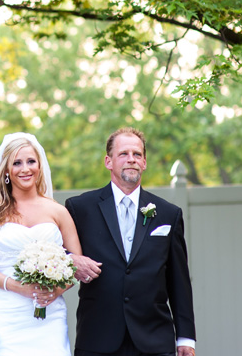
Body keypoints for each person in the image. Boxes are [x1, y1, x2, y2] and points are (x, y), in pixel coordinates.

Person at [65, 127, 196, 356]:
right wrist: (70, 260)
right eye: (123, 154)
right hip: (97, 339)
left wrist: (186, 337)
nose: (131, 160)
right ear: (108, 161)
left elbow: (179, 280)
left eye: (137, 155)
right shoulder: (80, 209)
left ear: (144, 163)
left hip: (154, 341)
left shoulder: (168, 214)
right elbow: (58, 256)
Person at [0, 132, 83, 356]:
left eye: (31, 161)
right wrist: (16, 286)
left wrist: (54, 291)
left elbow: (76, 263)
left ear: (40, 166)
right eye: (17, 163)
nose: (25, 169)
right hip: (4, 311)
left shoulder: (58, 211)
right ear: (7, 171)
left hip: (48, 313)